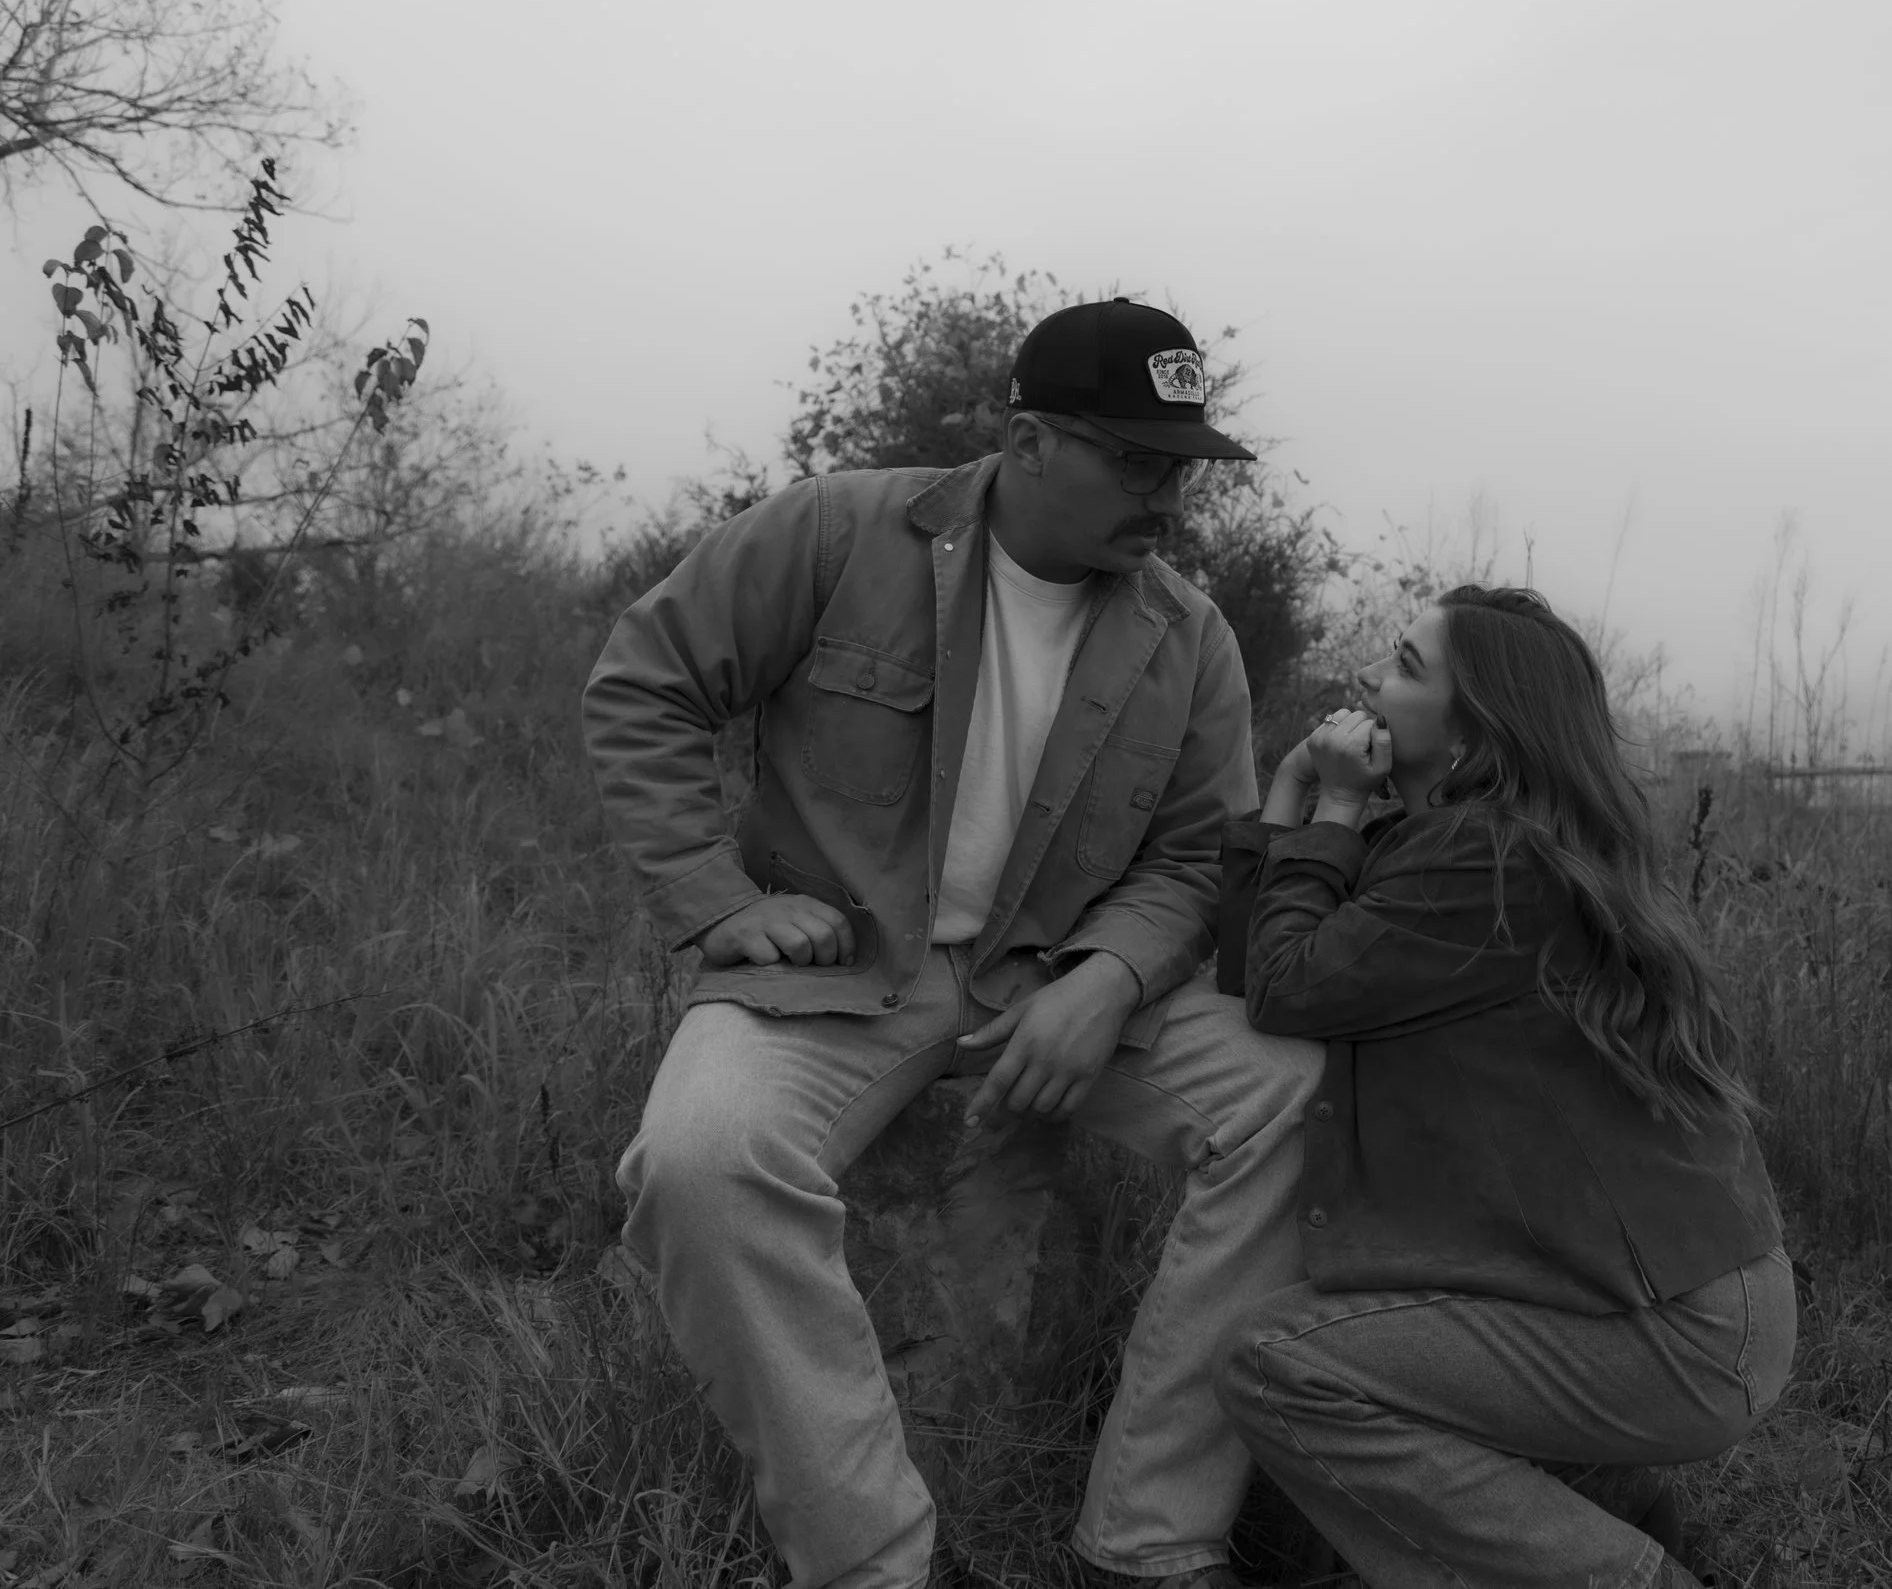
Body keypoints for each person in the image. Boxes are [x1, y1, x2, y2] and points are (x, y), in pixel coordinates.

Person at [582, 297, 1323, 1589]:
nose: (1167, 496)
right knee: (698, 1158)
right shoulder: (836, 530)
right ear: (1032, 440)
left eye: (1183, 467)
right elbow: (647, 678)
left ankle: (1147, 1542)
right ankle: (881, 1562)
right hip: (841, 978)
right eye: (1136, 459)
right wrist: (717, 900)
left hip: (1064, 978)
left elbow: (1200, 852)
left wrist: (1108, 977)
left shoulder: (1188, 632)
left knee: (1294, 1100)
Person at [1211, 585, 1793, 1589]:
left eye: (1402, 663)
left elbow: (1285, 984)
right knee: (1347, 1342)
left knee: (1278, 1357)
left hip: (1673, 1331)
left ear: (1478, 724)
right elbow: (1254, 960)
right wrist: (1286, 800)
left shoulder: (1488, 860)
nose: (1371, 681)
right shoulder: (1470, 842)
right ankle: (1605, 1501)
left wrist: (1335, 805)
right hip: (1666, 1302)